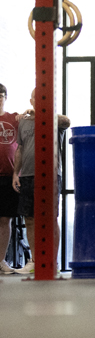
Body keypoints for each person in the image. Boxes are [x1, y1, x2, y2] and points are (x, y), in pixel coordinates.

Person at [11, 89, 71, 275]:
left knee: (51, 218)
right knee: (29, 218)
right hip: (27, 175)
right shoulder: (24, 123)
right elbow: (20, 149)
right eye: (37, 97)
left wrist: (42, 113)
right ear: (32, 100)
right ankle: (36, 261)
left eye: (45, 97)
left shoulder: (56, 121)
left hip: (51, 175)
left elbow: (67, 121)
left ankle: (52, 261)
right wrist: (15, 173)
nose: (41, 100)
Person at [0, 83, 19, 274]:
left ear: (5, 97)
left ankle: (1, 261)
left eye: (1, 95)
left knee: (4, 220)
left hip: (8, 177)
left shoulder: (14, 119)